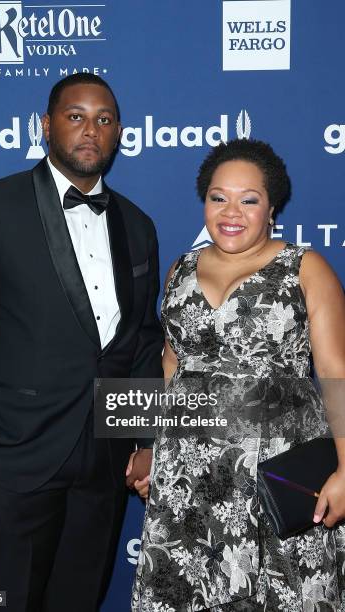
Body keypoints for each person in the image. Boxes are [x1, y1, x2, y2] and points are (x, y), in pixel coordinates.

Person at [0, 73, 163, 611]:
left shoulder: (138, 224)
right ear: (46, 125)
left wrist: (146, 438)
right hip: (14, 455)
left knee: (79, 599)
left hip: (104, 462)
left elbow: (141, 341)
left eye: (104, 119)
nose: (91, 130)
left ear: (118, 133)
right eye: (76, 116)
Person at [131, 139, 345, 611]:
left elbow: (335, 373)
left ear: (272, 207)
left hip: (275, 472)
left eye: (249, 199)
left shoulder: (306, 268)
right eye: (218, 196)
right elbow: (171, 364)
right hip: (189, 472)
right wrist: (147, 448)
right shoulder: (181, 269)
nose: (232, 211)